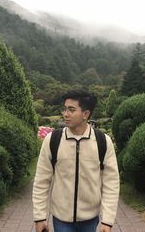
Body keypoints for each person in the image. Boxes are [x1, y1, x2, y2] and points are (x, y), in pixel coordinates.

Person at [33, 89, 119, 232]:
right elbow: (41, 180)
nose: (65, 114)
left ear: (86, 114)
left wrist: (107, 220)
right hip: (61, 219)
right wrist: (40, 217)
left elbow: (111, 183)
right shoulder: (53, 140)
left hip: (90, 219)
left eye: (71, 110)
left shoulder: (102, 141)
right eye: (65, 109)